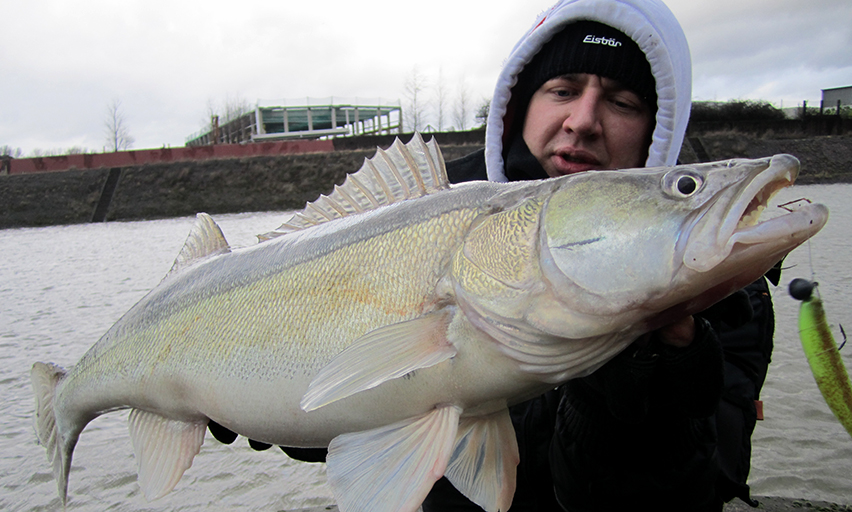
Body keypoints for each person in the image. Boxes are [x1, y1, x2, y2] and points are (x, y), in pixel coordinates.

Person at [422, 0, 775, 511]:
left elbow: (703, 488)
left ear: (659, 128)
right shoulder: (425, 210)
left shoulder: (721, 285)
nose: (583, 121)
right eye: (562, 90)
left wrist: (643, 379)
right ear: (521, 104)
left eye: (622, 102)